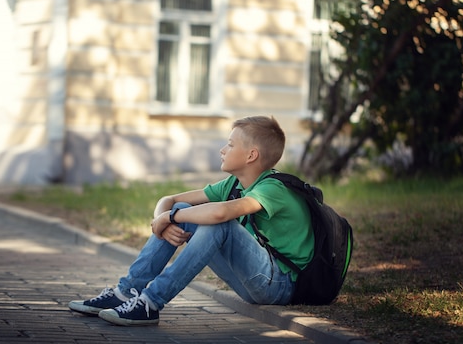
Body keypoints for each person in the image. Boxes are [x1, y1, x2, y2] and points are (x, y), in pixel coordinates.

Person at [68, 115, 314, 326]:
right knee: (187, 209)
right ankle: (126, 292)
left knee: (220, 224)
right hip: (253, 281)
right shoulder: (234, 184)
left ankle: (150, 303)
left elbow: (220, 214)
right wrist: (162, 221)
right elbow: (171, 199)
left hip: (278, 285)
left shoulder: (274, 188)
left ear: (251, 155)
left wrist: (170, 217)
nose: (222, 150)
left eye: (229, 144)